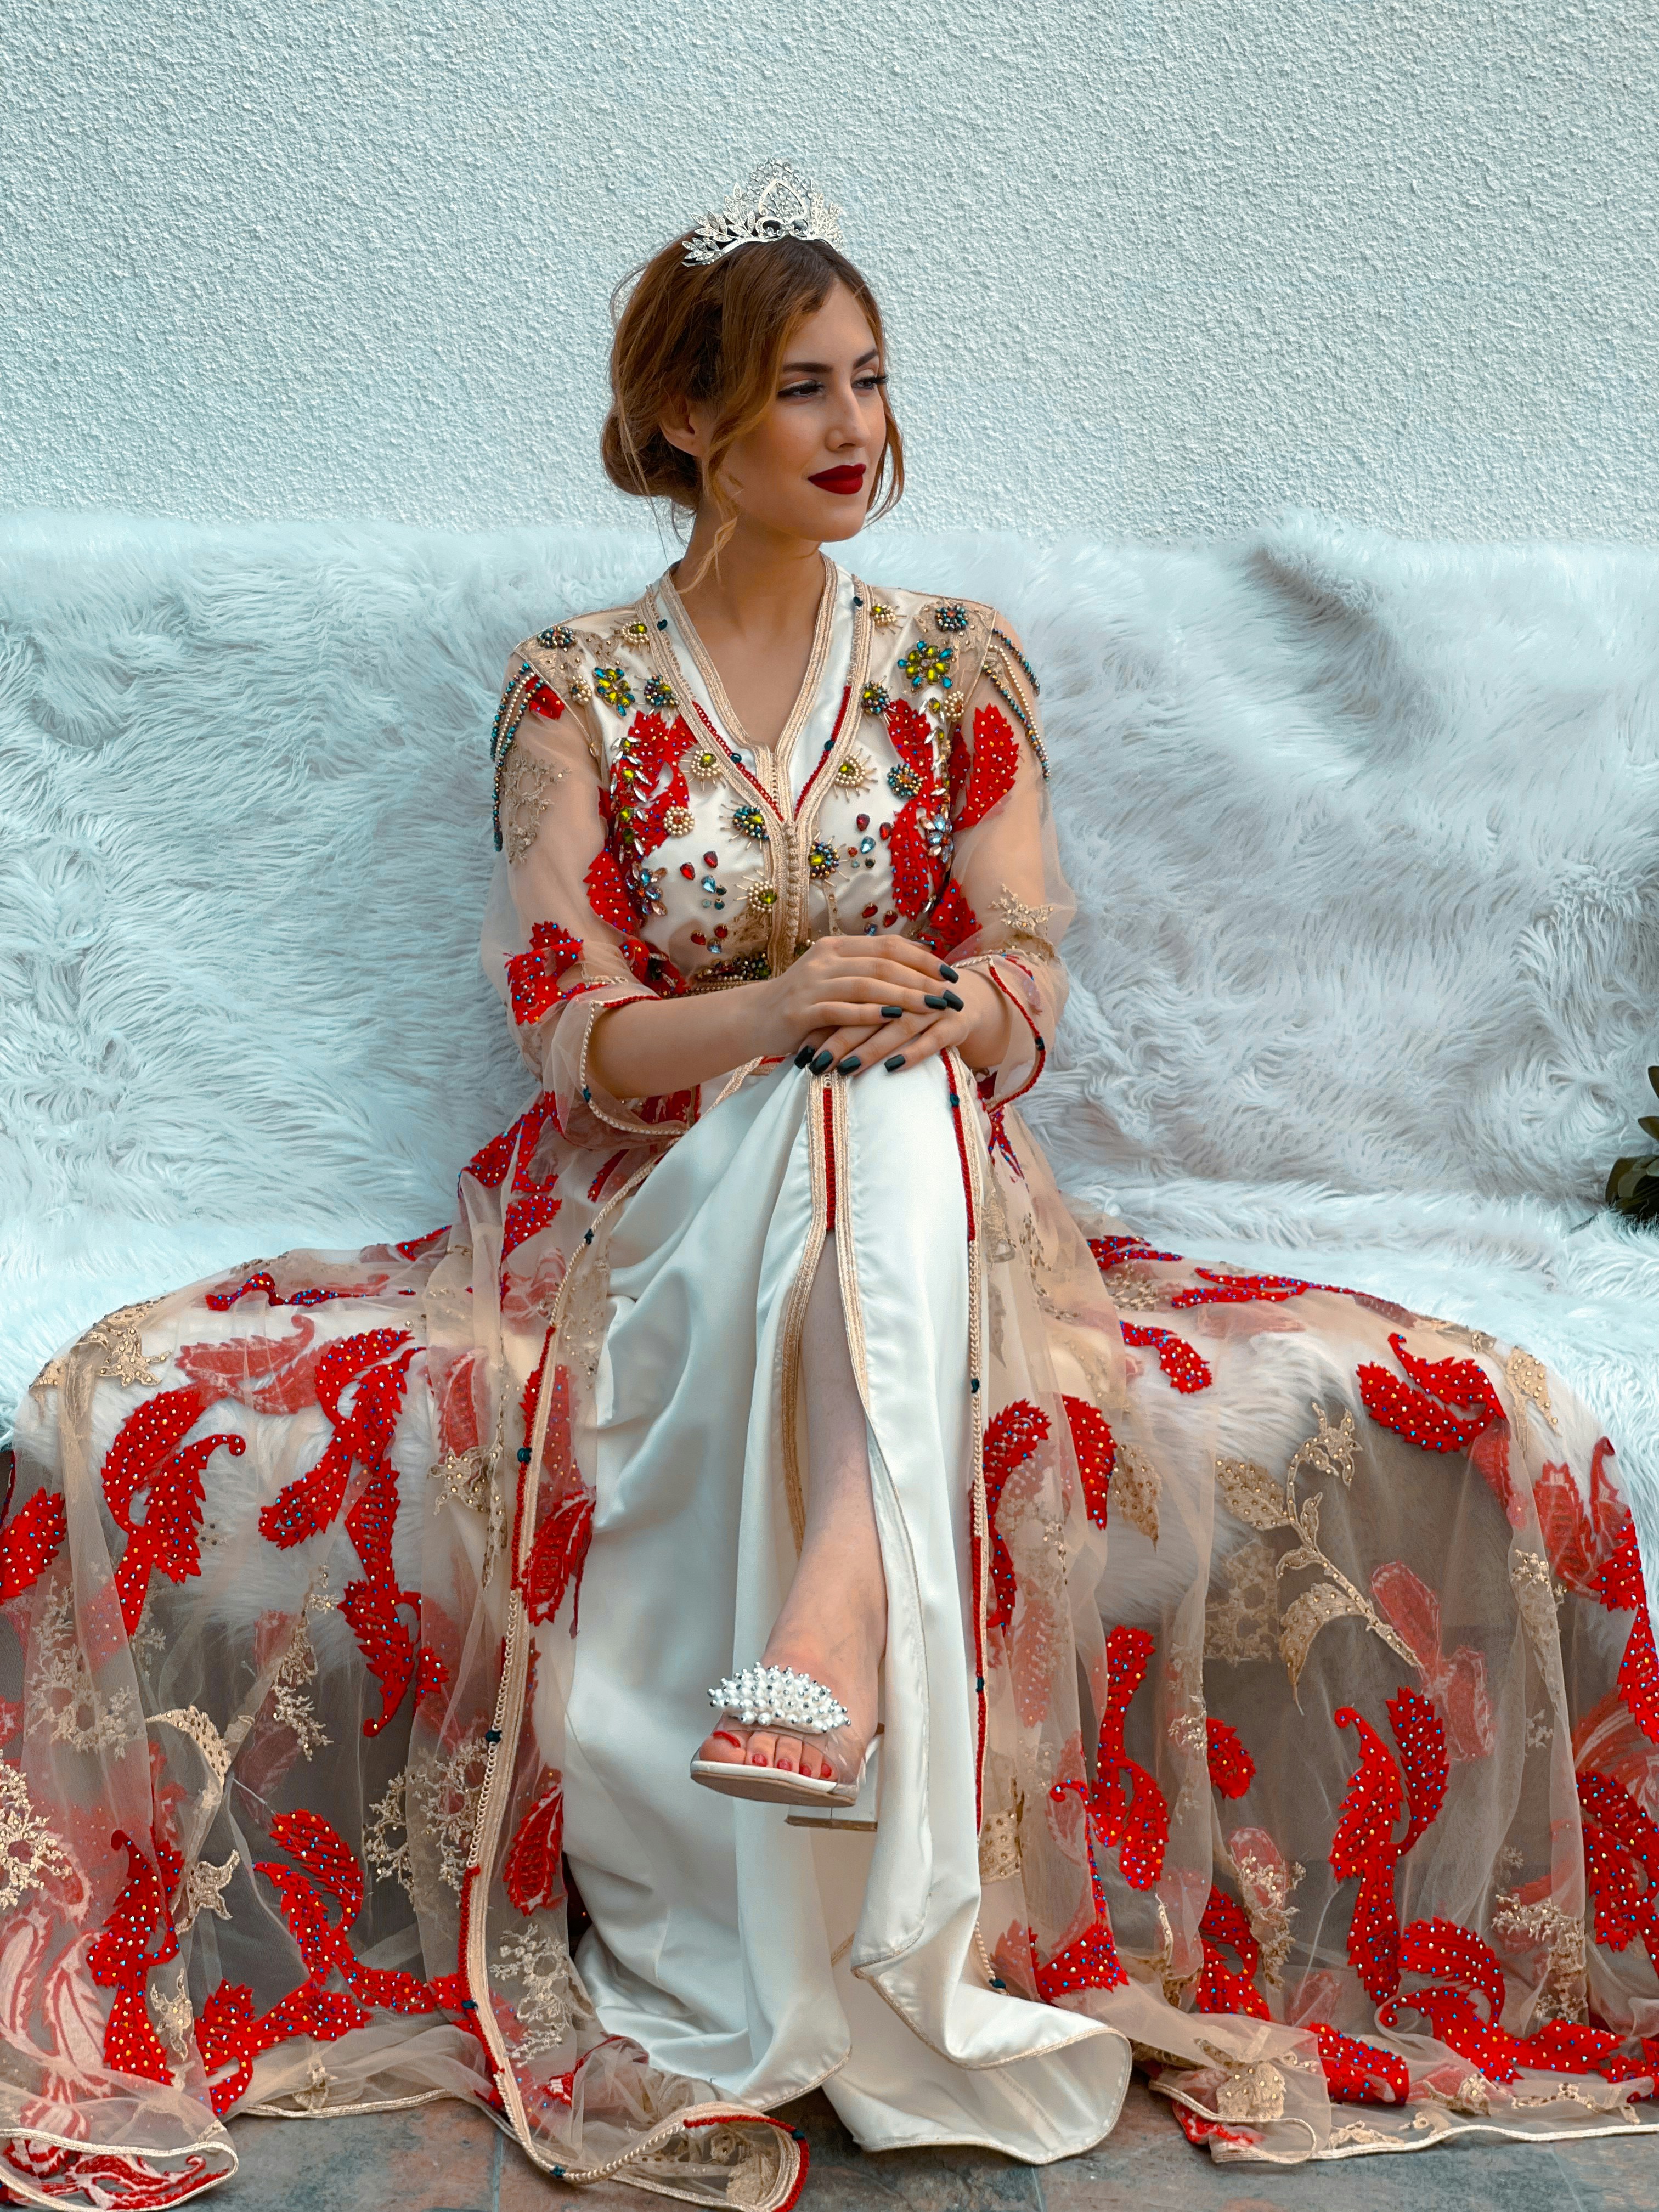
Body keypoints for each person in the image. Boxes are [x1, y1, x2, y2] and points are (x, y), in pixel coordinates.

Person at [5, 160, 1659, 2210]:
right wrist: (781, 1003)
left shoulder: (960, 665)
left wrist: (942, 1013)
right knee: (818, 1088)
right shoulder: (577, 690)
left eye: (873, 379)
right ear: (692, 421)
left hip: (937, 1174)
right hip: (657, 1196)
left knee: (881, 1098)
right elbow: (574, 1029)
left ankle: (831, 1623)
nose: (859, 426)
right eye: (804, 388)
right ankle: (841, 1628)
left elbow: (1028, 967)